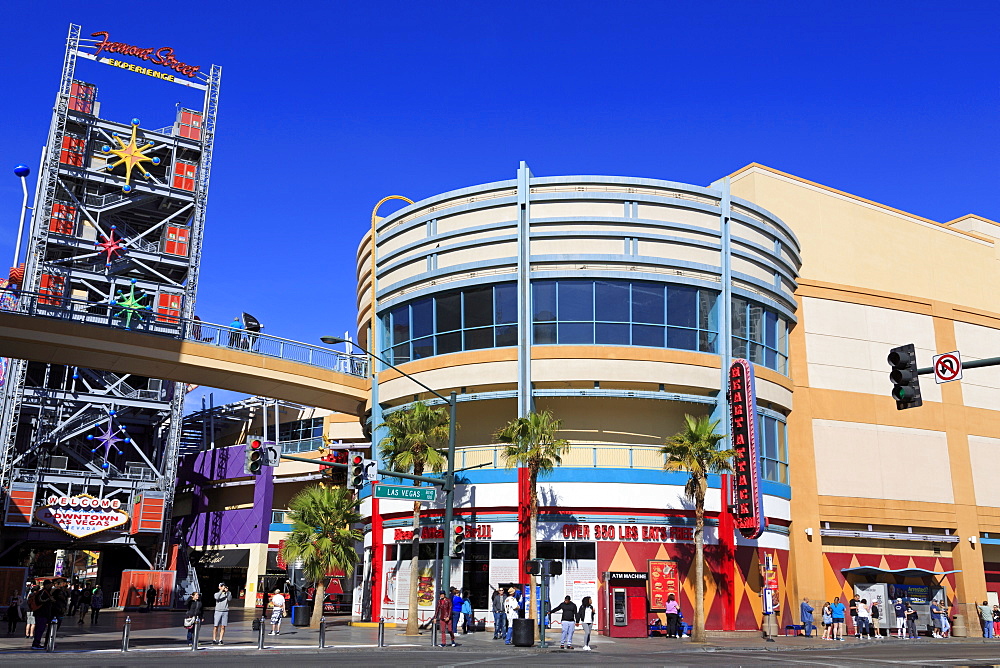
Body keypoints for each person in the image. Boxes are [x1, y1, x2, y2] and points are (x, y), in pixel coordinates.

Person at [29, 580, 55, 650]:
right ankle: (36, 644)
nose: (51, 586)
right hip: (41, 614)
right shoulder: (43, 592)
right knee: (39, 629)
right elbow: (40, 600)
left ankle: (37, 643)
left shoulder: (46, 592)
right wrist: (49, 599)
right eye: (50, 585)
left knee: (40, 629)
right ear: (46, 585)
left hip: (43, 614)